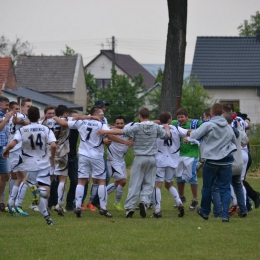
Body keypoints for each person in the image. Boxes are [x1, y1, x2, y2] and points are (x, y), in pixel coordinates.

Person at [98, 107, 171, 218]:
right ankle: (144, 201)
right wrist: (166, 128)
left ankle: (129, 207)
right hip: (152, 158)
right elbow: (167, 136)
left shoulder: (136, 127)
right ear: (149, 116)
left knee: (135, 183)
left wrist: (105, 131)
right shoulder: (155, 127)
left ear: (140, 116)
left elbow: (121, 131)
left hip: (140, 157)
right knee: (149, 183)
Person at [53, 107, 112, 218]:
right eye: (101, 113)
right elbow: (107, 134)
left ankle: (78, 206)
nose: (103, 116)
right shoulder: (101, 123)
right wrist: (108, 140)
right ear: (95, 114)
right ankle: (103, 207)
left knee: (81, 181)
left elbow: (63, 123)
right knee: (102, 181)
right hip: (97, 156)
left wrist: (54, 116)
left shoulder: (81, 121)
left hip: (83, 155)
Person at [3, 106, 56, 225]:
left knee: (33, 185)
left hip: (29, 164)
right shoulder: (45, 129)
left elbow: (12, 144)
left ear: (29, 116)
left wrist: (6, 151)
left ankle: (47, 217)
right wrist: (52, 156)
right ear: (38, 116)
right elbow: (53, 145)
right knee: (45, 192)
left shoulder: (22, 130)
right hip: (44, 164)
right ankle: (39, 191)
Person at [188, 103, 237, 222]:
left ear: (212, 113)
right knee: (225, 188)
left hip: (211, 160)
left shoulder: (209, 125)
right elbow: (234, 143)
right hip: (226, 161)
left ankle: (205, 211)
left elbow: (194, 135)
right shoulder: (228, 127)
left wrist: (188, 132)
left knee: (207, 187)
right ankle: (225, 215)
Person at [151, 112, 188, 218]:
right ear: (170, 120)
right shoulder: (176, 128)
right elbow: (188, 132)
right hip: (172, 160)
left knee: (157, 185)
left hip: (160, 160)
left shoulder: (155, 128)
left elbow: (144, 122)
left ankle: (157, 209)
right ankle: (179, 202)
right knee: (169, 184)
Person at [171, 108, 202, 210]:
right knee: (179, 177)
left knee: (192, 177)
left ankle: (195, 199)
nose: (180, 119)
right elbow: (163, 121)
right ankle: (181, 197)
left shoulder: (194, 123)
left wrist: (190, 137)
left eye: (182, 117)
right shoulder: (176, 124)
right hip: (179, 154)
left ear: (187, 117)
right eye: (178, 117)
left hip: (191, 155)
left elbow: (204, 128)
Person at [106, 116, 133, 211]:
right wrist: (125, 142)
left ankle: (97, 197)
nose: (119, 125)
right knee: (123, 181)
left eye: (121, 123)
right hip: (112, 161)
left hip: (122, 161)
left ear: (124, 124)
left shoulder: (127, 130)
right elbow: (109, 136)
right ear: (114, 124)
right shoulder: (110, 131)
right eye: (117, 123)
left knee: (117, 183)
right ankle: (117, 203)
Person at [6, 101, 29, 216]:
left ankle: (12, 203)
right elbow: (29, 123)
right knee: (24, 178)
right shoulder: (19, 116)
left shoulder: (10, 119)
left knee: (18, 177)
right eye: (15, 109)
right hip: (16, 150)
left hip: (14, 150)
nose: (17, 111)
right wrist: (22, 120)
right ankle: (14, 204)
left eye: (18, 109)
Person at [0, 96, 14, 212]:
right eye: (6, 105)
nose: (7, 108)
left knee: (5, 174)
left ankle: (0, 201)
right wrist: (6, 119)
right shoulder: (4, 116)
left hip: (2, 148)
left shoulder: (5, 116)